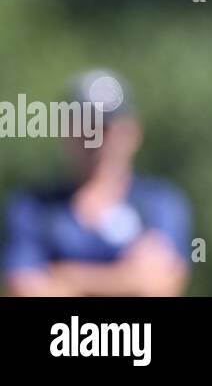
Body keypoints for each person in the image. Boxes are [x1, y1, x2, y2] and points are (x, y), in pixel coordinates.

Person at [3, 68, 192, 296]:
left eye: (106, 127)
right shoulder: (33, 207)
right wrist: (126, 278)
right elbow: (25, 289)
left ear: (133, 131)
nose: (95, 138)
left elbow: (161, 286)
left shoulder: (160, 203)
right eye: (85, 125)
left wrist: (67, 276)